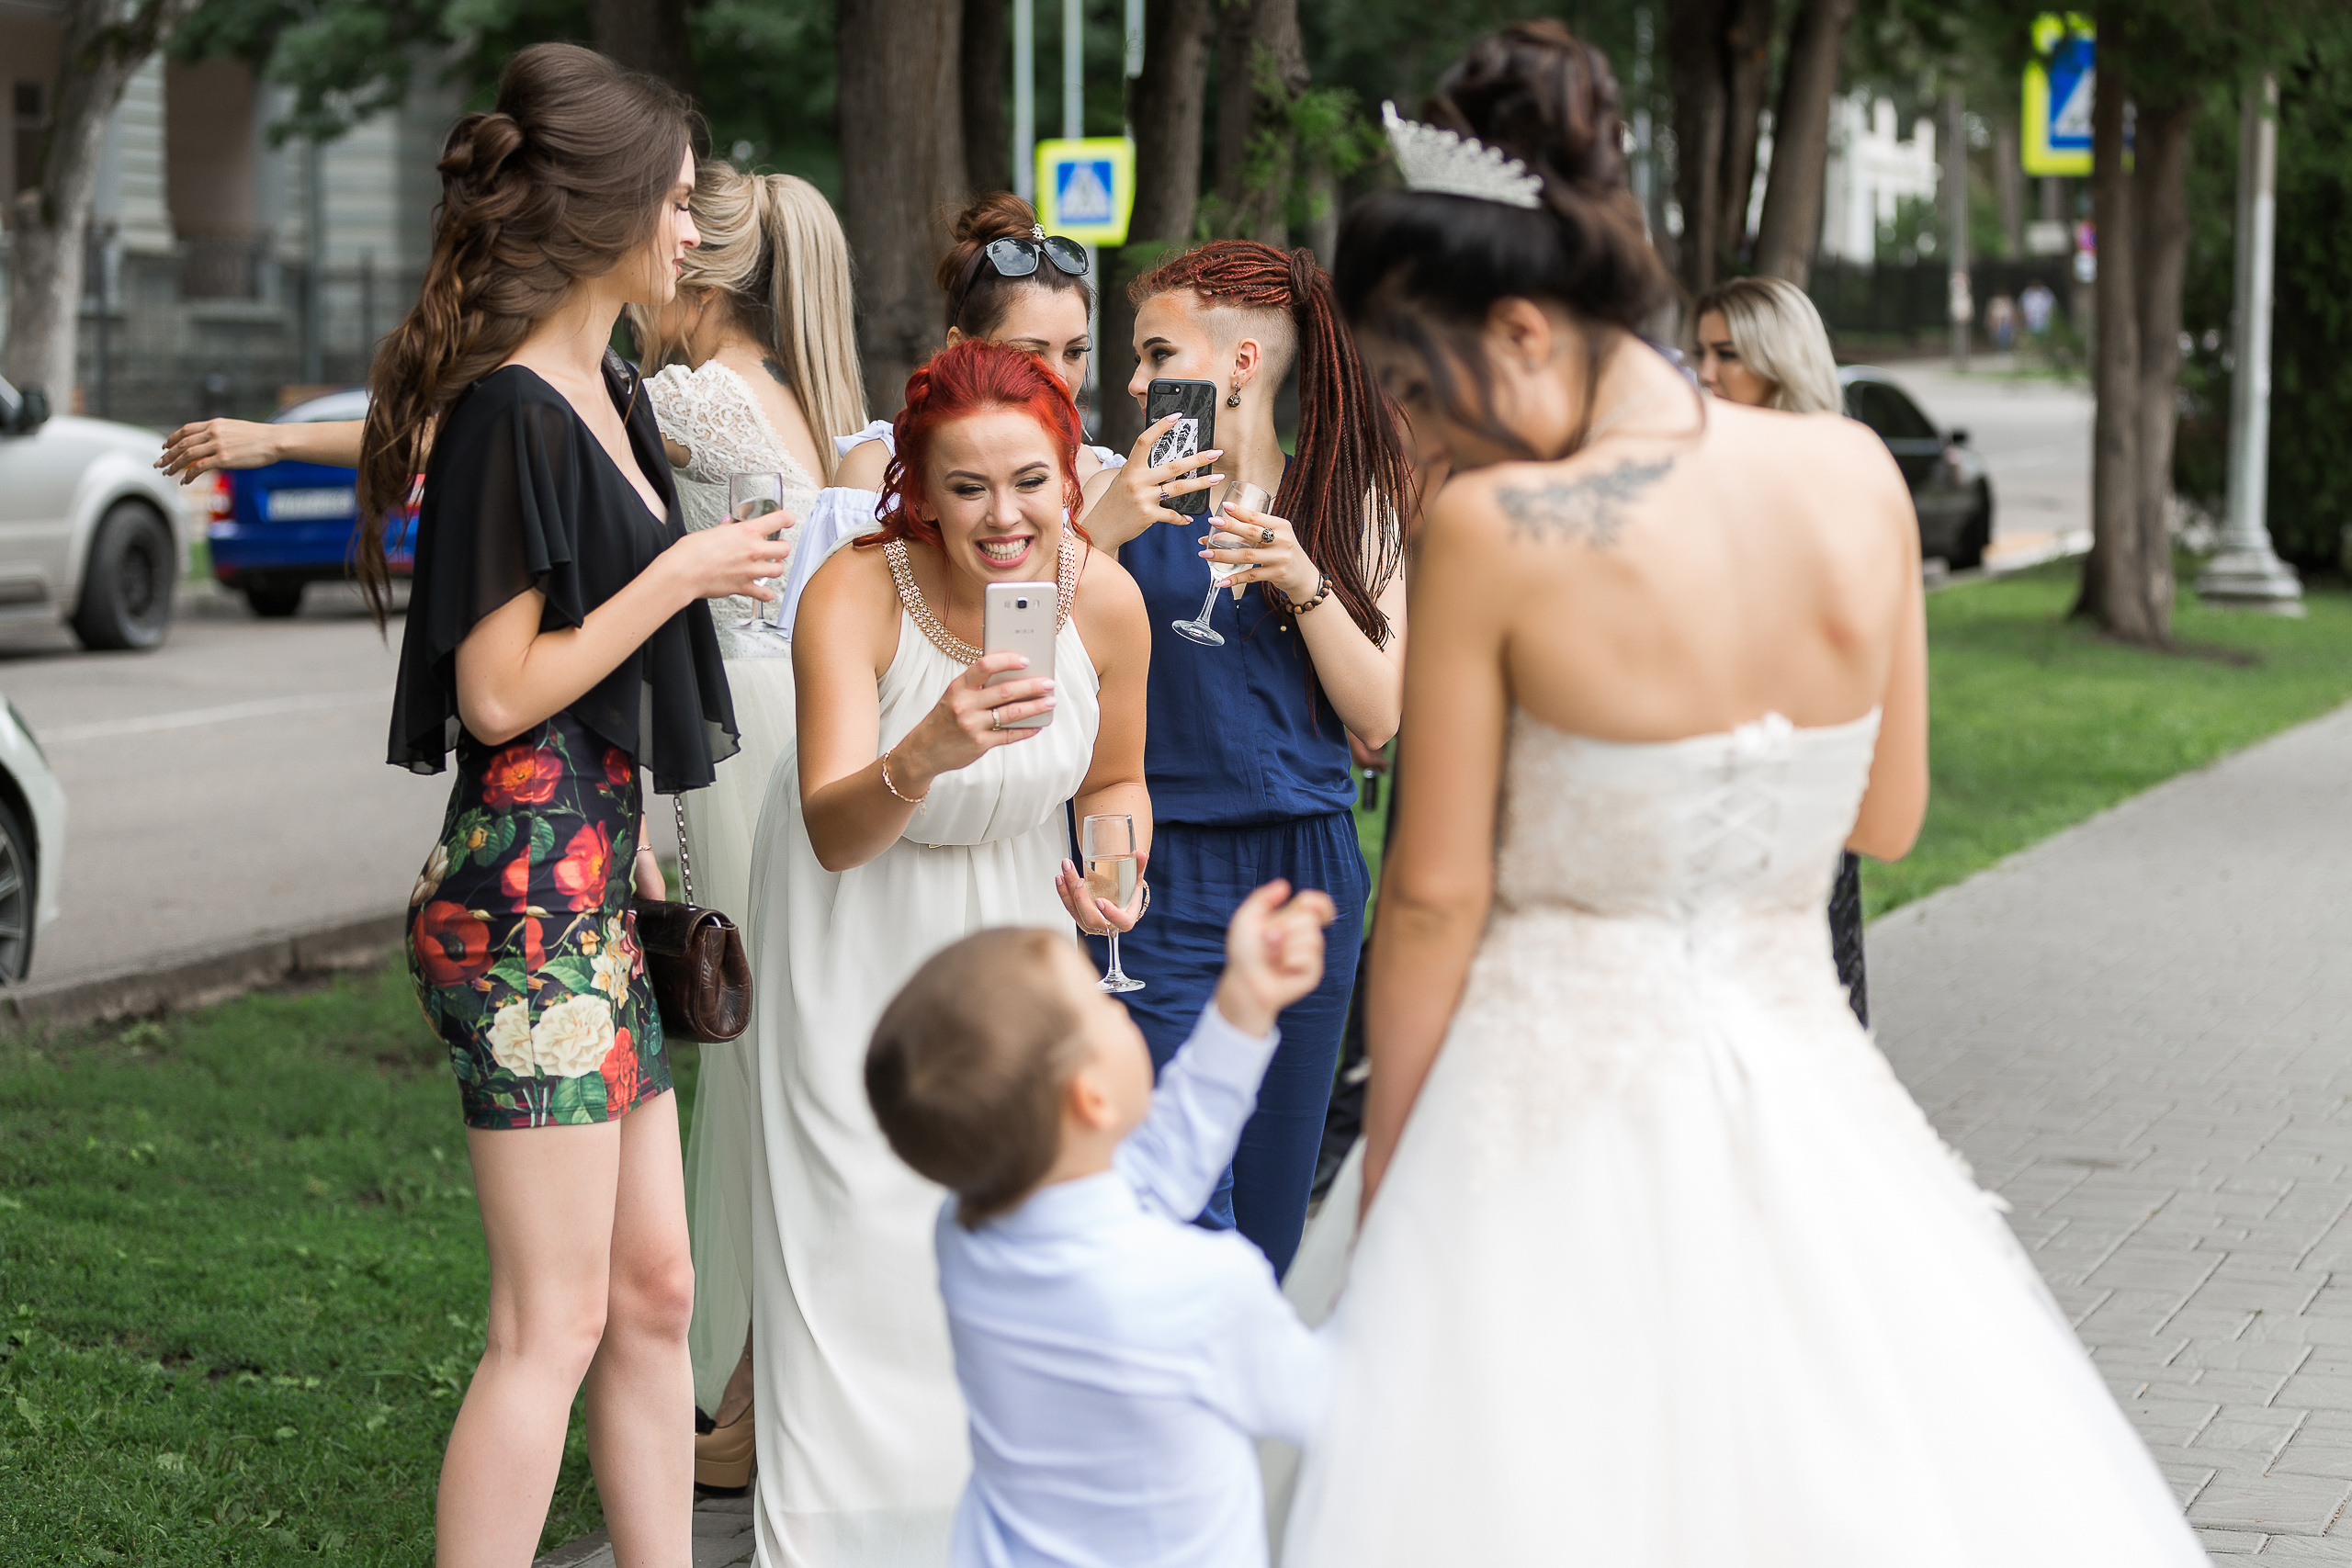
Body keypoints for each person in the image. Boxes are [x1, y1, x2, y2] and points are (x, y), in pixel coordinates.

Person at [1285, 23, 2209, 1566]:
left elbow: (1436, 899)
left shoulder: (1503, 530)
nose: (1406, 431)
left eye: (1407, 385)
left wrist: (1392, 1202)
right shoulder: (1855, 475)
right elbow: (1889, 816)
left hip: (1547, 1126)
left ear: (1518, 328)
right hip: (1812, 1112)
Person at [371, 44, 786, 1568]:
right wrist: (681, 571)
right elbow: (496, 691)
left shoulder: (607, 387)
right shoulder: (510, 417)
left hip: (595, 904)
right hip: (526, 911)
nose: (693, 232)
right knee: (547, 1325)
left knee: (657, 1292)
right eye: (677, 203)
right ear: (609, 206)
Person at [744, 339, 1152, 1565]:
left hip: (1013, 950)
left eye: (1030, 480)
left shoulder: (1109, 600)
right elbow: (832, 825)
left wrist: (1118, 871)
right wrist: (926, 749)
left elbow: (1118, 774)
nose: (1003, 514)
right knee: (860, 1260)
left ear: (1070, 475)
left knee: (1008, 1251)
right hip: (854, 945)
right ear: (915, 488)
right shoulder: (857, 593)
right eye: (965, 487)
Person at [1075, 239, 1411, 1277]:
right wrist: (1102, 529)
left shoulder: (1347, 493)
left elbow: (1378, 716)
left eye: (1155, 352)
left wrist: (1304, 581)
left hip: (1307, 868)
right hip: (1161, 871)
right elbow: (1031, 638)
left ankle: (1220, 1428)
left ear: (1241, 360)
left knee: (1267, 1217)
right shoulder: (1110, 488)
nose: (1131, 381)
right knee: (1180, 1203)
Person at [865, 879, 1336, 1568]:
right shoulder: (1201, 1283)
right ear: (1091, 1095)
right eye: (1101, 1003)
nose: (1120, 1007)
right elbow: (1327, 1401)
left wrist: (1245, 1002)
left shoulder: (968, 1231)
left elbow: (1151, 1173)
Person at [627, 158, 870, 1491]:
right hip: (786, 715)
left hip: (742, 740)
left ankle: (712, 1370)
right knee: (772, 1035)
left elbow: (488, 426)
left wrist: (268, 440)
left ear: (703, 268)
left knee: (730, 1044)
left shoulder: (701, 395)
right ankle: (752, 1361)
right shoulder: (797, 392)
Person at [779, 193, 1130, 628]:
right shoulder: (878, 466)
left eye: (1076, 351)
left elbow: (1101, 651)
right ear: (958, 346)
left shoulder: (1101, 476)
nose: (1059, 376)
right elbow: (822, 641)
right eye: (1030, 353)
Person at [1690, 274, 1871, 1028]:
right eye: (1700, 352)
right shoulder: (1687, 478)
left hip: (1800, 803)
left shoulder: (1843, 482)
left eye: (1727, 355)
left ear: (1782, 363)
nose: (1706, 374)